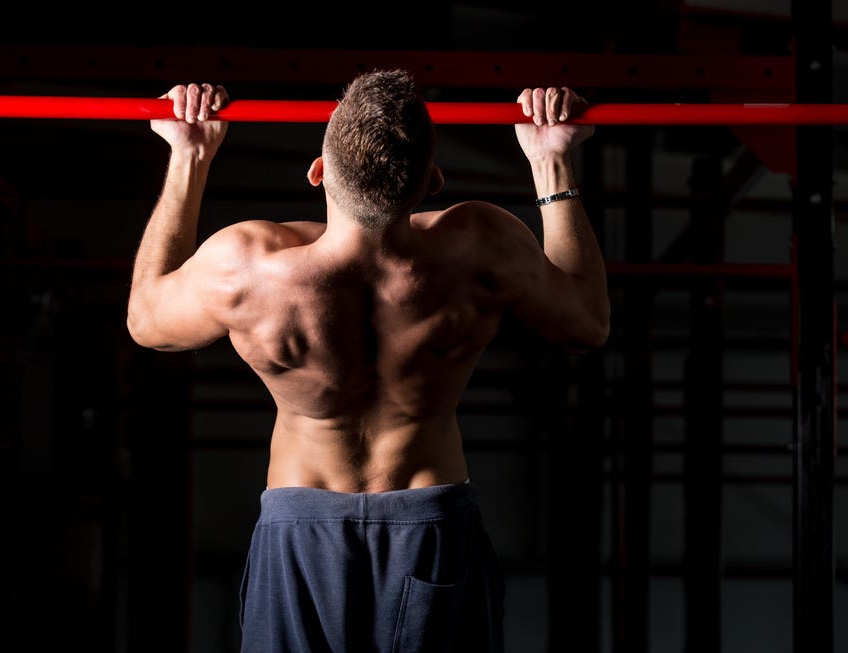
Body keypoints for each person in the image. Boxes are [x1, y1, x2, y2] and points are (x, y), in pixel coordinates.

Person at [126, 69, 609, 652]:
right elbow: (587, 323)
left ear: (319, 172)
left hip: (300, 531)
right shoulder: (483, 246)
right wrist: (550, 162)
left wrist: (189, 157)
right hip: (431, 525)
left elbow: (147, 322)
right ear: (432, 180)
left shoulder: (246, 265)